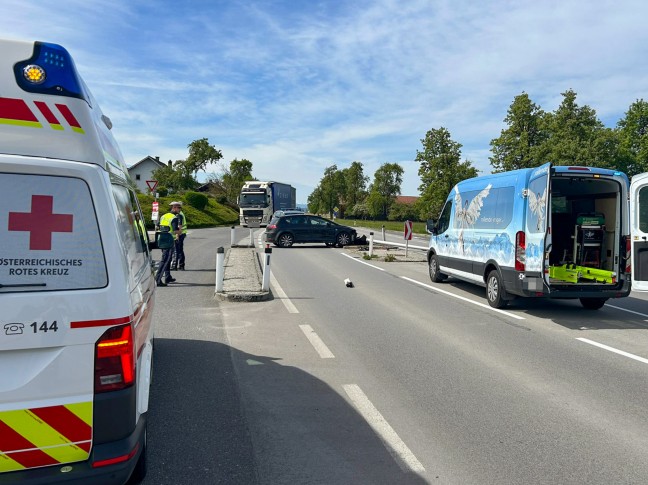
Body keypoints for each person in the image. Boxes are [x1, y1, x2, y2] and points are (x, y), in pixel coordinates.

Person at [156, 202, 182, 287]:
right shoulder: (174, 218)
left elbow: (157, 226)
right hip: (169, 241)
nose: (179, 210)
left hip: (162, 240)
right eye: (179, 208)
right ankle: (158, 280)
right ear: (174, 208)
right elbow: (175, 230)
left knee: (167, 259)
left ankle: (167, 277)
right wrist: (180, 231)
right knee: (165, 260)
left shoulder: (163, 216)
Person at [170, 202, 187, 270]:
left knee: (178, 250)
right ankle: (180, 265)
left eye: (173, 207)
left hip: (180, 234)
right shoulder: (179, 214)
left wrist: (177, 235)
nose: (172, 209)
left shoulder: (179, 215)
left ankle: (179, 265)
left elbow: (179, 226)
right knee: (179, 250)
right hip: (181, 233)